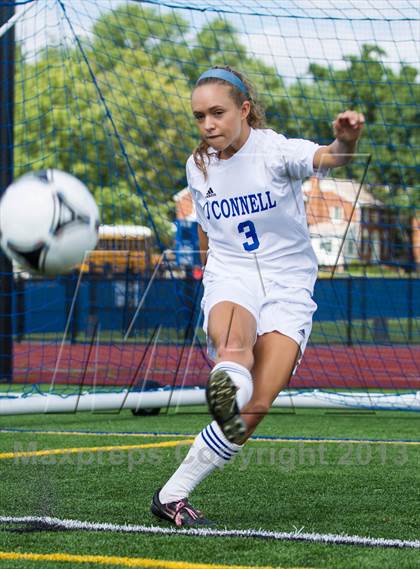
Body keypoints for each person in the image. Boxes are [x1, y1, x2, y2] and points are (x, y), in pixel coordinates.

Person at [151, 66, 365, 526]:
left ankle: (172, 494)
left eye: (217, 113)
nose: (207, 124)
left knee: (255, 407)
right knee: (234, 348)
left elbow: (333, 159)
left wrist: (346, 141)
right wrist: (208, 279)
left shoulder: (275, 151)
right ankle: (226, 378)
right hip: (233, 274)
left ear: (244, 110)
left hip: (289, 284)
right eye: (199, 116)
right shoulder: (197, 166)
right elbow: (210, 233)